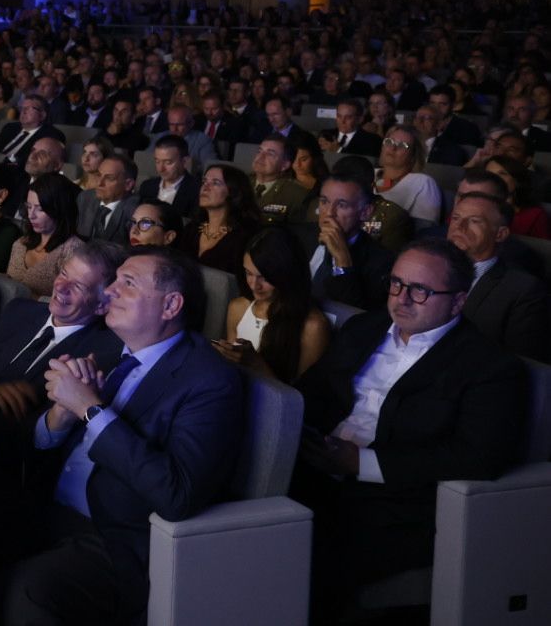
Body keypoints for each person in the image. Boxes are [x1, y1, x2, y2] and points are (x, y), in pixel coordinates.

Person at [2, 248, 244, 624]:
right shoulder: (108, 350)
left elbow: (176, 494)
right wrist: (60, 417)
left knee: (29, 589)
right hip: (48, 507)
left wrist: (91, 410)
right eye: (113, 281)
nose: (110, 291)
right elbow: (39, 444)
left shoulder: (210, 381)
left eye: (127, 283)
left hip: (118, 539)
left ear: (171, 305)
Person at [292, 239, 528, 617]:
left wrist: (361, 463)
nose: (401, 299)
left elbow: (477, 456)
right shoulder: (363, 329)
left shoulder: (489, 368)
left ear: (458, 301)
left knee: (300, 564)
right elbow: (313, 394)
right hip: (315, 468)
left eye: (421, 290)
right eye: (397, 283)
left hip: (394, 504)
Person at [0, 241, 125, 550]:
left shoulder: (104, 353)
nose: (61, 287)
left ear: (100, 305)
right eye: (63, 274)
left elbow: (38, 435)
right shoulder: (21, 311)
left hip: (5, 471)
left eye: (78, 286)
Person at [214, 227, 331, 381]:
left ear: (286, 274)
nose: (254, 285)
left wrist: (257, 365)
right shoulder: (238, 308)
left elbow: (299, 399)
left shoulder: (312, 327)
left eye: (264, 277)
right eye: (248, 273)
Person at [446, 188, 551, 360]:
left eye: (474, 221)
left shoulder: (524, 291)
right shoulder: (425, 267)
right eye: (456, 218)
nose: (459, 226)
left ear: (500, 234)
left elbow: (520, 362)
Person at [307, 166, 396, 308]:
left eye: (342, 205)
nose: (329, 213)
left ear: (365, 212)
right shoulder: (300, 237)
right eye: (324, 202)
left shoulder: (382, 262)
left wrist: (343, 262)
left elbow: (357, 319)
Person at [8, 172, 80, 297]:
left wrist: (22, 293)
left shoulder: (73, 250)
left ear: (59, 209)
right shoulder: (20, 244)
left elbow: (68, 300)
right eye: (29, 207)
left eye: (40, 209)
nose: (31, 215)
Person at [193, 162, 262, 276]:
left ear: (233, 192)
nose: (205, 187)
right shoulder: (192, 229)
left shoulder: (245, 237)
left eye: (215, 183)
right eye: (204, 181)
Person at [77, 156, 139, 245]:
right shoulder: (85, 198)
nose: (99, 183)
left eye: (109, 178)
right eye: (98, 175)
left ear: (128, 184)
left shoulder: (135, 210)